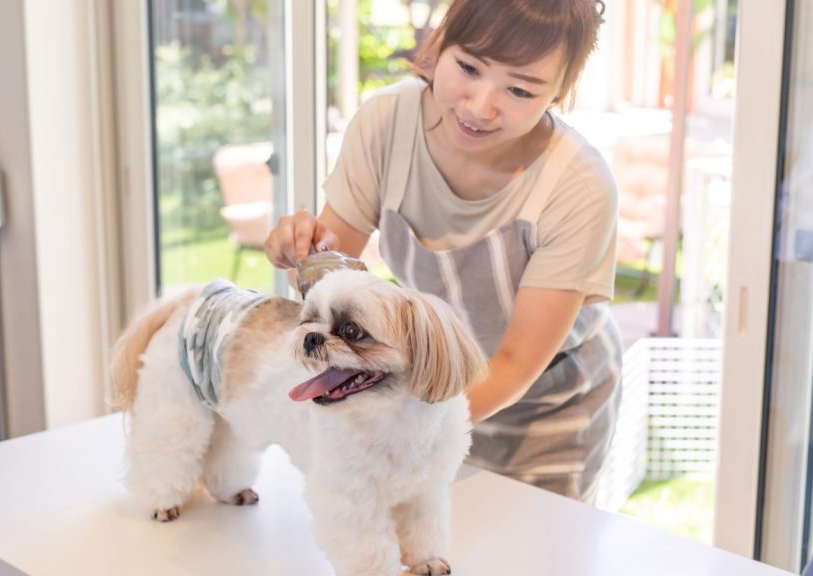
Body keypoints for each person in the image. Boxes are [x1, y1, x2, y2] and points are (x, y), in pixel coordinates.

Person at [264, 0, 622, 503]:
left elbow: (514, 363)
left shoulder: (578, 186)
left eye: (520, 90)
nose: (480, 107)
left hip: (543, 409)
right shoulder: (386, 125)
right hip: (412, 391)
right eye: (469, 68)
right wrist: (300, 253)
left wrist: (409, 424)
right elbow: (329, 283)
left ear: (560, 93)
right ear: (439, 45)